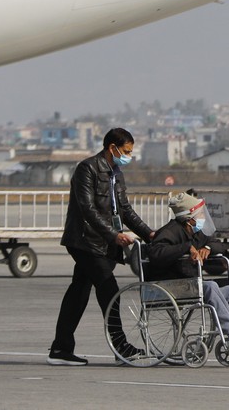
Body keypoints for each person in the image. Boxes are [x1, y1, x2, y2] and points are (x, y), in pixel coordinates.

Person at [48, 128, 155, 366]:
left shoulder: (116, 173)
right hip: (85, 240)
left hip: (104, 243)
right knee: (109, 289)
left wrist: (149, 233)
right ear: (112, 148)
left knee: (79, 292)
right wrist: (114, 235)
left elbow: (125, 210)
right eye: (126, 151)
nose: (128, 156)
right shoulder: (87, 169)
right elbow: (87, 209)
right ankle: (121, 348)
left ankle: (60, 349)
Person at [147, 190, 229, 353]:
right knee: (210, 287)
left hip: (188, 284)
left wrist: (207, 248)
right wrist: (186, 248)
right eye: (200, 215)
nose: (203, 218)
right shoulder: (169, 232)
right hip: (168, 285)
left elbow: (218, 244)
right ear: (190, 219)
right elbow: (155, 253)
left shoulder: (195, 232)